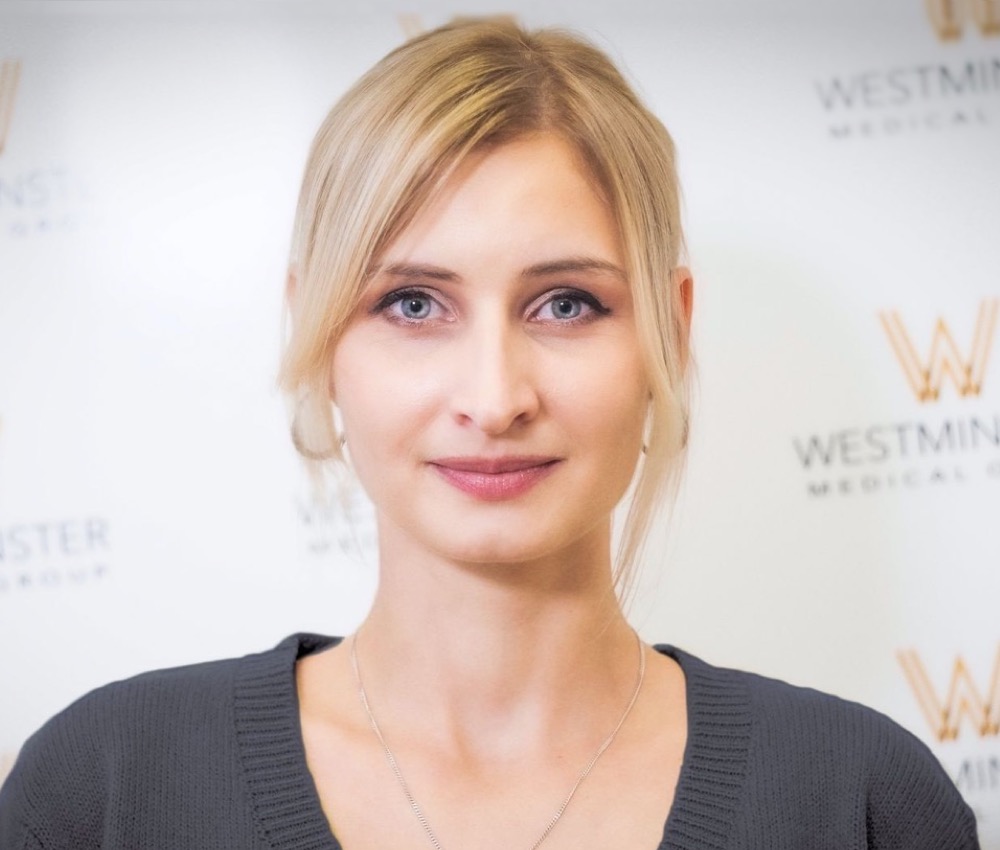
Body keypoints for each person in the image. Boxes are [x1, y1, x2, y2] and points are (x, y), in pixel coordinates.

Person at [0, 18, 980, 850]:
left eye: (565, 303)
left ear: (670, 335)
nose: (494, 394)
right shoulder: (104, 787)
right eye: (414, 304)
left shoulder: (861, 798)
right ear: (316, 333)